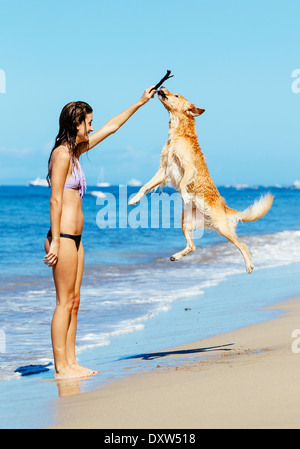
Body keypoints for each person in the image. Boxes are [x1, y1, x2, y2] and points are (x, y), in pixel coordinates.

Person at [44, 86, 156, 379]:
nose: (92, 126)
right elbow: (56, 198)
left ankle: (72, 362)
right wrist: (55, 240)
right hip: (63, 238)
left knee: (75, 302)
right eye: (88, 122)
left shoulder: (76, 152)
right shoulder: (61, 155)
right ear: (75, 124)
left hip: (77, 240)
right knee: (63, 302)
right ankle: (60, 368)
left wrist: (140, 102)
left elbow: (112, 127)